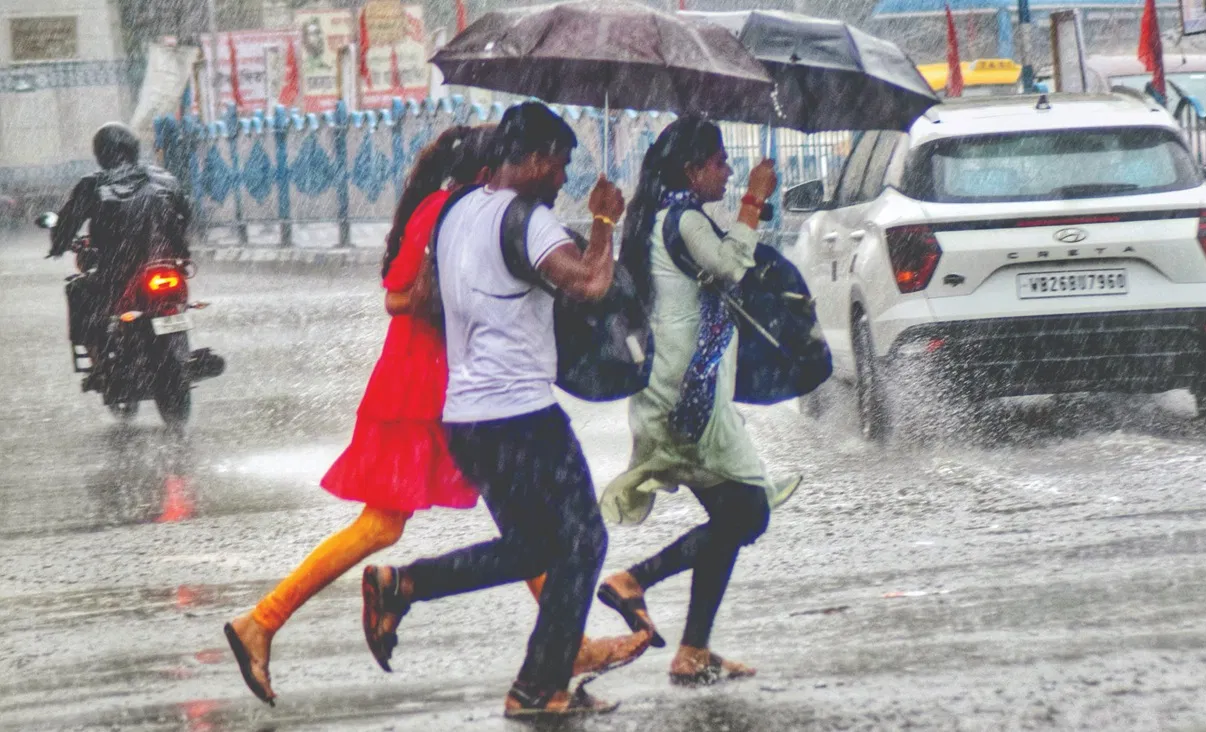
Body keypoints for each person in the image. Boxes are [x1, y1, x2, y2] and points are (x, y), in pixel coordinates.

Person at [223, 125, 646, 707]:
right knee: (393, 526)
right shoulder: (451, 211)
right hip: (429, 387)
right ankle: (264, 620)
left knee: (527, 528)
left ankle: (560, 652)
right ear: (485, 172)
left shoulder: (448, 208)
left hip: (444, 384)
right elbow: (403, 295)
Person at [361, 102, 638, 719]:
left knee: (536, 548)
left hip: (467, 419)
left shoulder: (455, 212)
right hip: (523, 415)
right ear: (535, 157)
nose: (563, 177)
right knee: (585, 541)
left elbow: (427, 301)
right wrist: (601, 220)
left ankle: (403, 585)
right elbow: (590, 283)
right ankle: (537, 689)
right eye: (561, 164)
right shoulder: (529, 220)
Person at [596, 116, 802, 686]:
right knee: (749, 511)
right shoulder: (683, 219)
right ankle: (634, 579)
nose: (729, 170)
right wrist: (754, 202)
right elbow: (731, 266)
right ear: (692, 169)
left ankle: (693, 650)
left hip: (671, 392)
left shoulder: (663, 219)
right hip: (690, 399)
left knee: (731, 517)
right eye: (719, 162)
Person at [49, 122, 192, 380]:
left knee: (78, 290)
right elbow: (186, 213)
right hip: (164, 262)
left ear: (101, 153)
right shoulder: (162, 177)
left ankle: (99, 361)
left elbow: (67, 223)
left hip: (118, 267)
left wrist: (58, 245)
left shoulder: (93, 184)